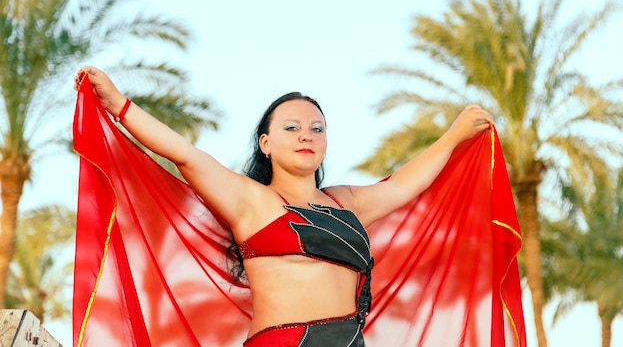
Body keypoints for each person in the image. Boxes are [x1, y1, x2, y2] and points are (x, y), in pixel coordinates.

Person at [74, 66, 494, 347]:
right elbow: (185, 154)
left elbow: (404, 184)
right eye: (290, 128)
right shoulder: (251, 200)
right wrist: (119, 105)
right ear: (266, 144)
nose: (305, 135)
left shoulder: (345, 202)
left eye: (316, 128)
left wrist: (455, 135)